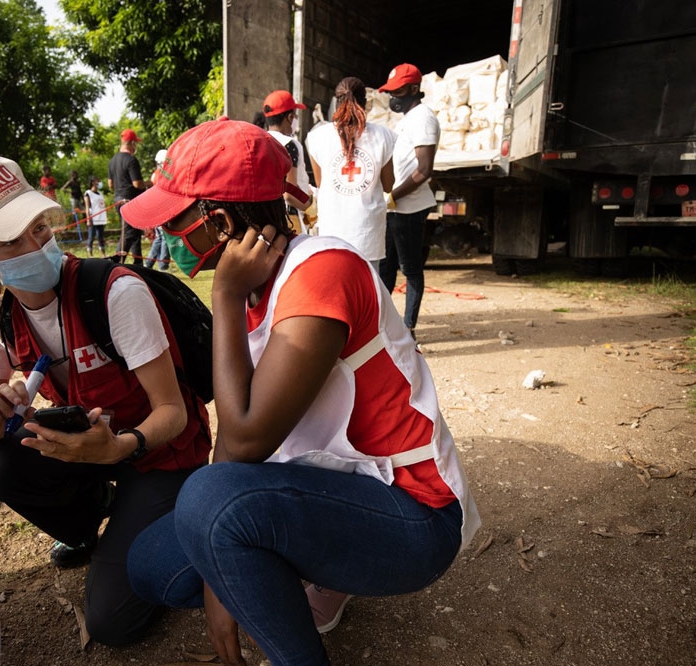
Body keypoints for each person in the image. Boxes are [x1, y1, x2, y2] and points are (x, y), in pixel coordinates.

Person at [122, 119, 479, 666]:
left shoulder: (320, 273)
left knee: (208, 502)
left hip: (413, 516)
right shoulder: (258, 290)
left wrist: (223, 296)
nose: (164, 235)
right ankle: (306, 570)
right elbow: (235, 454)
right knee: (151, 564)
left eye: (174, 219)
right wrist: (220, 572)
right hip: (335, 486)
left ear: (216, 222)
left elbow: (241, 442)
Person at [0, 155, 212, 647]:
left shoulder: (113, 292)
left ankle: (174, 512)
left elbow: (174, 412)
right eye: (12, 239)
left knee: (111, 624)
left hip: (158, 454)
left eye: (38, 227)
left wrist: (121, 448)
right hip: (91, 456)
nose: (36, 244)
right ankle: (95, 518)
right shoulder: (1, 324)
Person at [305, 77, 396, 269]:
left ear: (336, 102)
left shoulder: (317, 138)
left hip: (332, 231)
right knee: (367, 291)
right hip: (368, 233)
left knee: (334, 289)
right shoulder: (384, 136)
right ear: (365, 103)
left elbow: (321, 183)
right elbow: (389, 185)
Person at [377, 64, 440, 339]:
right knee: (387, 268)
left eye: (398, 92)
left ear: (414, 89)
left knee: (411, 269)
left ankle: (408, 328)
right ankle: (382, 326)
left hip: (409, 208)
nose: (394, 98)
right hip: (394, 207)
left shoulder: (424, 117)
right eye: (391, 92)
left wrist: (393, 195)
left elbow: (424, 170)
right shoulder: (406, 119)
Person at [262, 89, 313, 234]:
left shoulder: (260, 139)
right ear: (290, 117)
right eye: (295, 115)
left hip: (267, 217)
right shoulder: (289, 144)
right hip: (289, 218)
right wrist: (311, 208)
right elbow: (289, 193)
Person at [108, 128, 150, 265]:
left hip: (118, 199)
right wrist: (151, 183)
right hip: (130, 201)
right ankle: (116, 263)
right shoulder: (131, 160)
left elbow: (110, 185)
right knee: (129, 233)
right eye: (135, 143)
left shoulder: (112, 161)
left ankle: (138, 265)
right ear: (131, 143)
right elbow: (137, 184)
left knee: (135, 233)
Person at [144, 149, 172, 271]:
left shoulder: (156, 174)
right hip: (162, 209)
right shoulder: (161, 175)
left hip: (158, 209)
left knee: (160, 238)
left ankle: (150, 263)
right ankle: (162, 264)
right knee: (165, 237)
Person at [84, 177, 108, 257]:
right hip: (93, 218)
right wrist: (88, 219)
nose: (99, 182)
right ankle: (90, 254)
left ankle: (103, 254)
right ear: (93, 182)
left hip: (101, 218)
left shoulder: (100, 194)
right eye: (98, 181)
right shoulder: (88, 193)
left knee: (100, 237)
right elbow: (87, 207)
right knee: (91, 236)